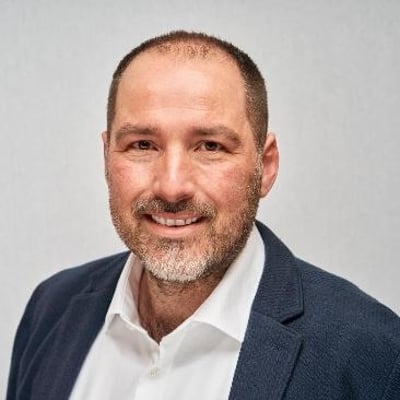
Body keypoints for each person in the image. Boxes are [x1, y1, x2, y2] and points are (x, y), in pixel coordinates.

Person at [7, 31, 400, 400]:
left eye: (210, 146)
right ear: (107, 157)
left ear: (266, 166)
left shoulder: (374, 356)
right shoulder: (51, 308)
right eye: (142, 145)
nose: (172, 187)